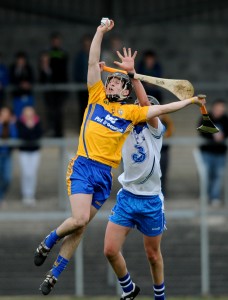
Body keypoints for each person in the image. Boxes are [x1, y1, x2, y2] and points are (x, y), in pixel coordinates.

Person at [33, 18, 205, 296]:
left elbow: (154, 108)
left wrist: (190, 101)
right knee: (82, 224)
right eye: (109, 80)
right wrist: (100, 33)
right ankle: (47, 244)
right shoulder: (97, 98)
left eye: (115, 82)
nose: (110, 83)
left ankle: (54, 274)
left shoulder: (131, 115)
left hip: (109, 178)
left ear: (126, 93)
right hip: (86, 168)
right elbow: (92, 67)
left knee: (88, 229)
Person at [104, 94, 167, 300]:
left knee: (153, 255)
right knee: (110, 250)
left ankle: (160, 297)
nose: (139, 108)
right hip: (127, 197)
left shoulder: (156, 130)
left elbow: (146, 105)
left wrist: (133, 76)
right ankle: (129, 288)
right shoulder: (125, 127)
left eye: (144, 107)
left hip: (150, 200)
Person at [198, 99, 228, 206]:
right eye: (218, 109)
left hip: (220, 153)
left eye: (221, 109)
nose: (219, 111)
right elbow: (201, 130)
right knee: (206, 175)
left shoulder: (225, 119)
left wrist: (222, 136)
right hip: (207, 152)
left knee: (218, 176)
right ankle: (205, 195)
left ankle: (215, 197)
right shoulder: (205, 117)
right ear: (214, 108)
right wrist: (213, 135)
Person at [17, 106, 42, 206]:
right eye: (27, 114)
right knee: (26, 173)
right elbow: (22, 135)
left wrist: (32, 128)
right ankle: (25, 194)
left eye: (30, 114)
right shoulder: (20, 122)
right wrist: (28, 128)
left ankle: (31, 194)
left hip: (35, 151)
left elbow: (38, 135)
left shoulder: (37, 122)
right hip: (23, 151)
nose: (29, 116)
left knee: (32, 173)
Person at [44, 32, 68, 137]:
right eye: (54, 41)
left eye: (57, 41)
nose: (56, 43)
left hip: (61, 87)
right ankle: (52, 130)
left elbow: (62, 68)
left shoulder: (63, 53)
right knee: (51, 111)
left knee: (59, 111)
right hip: (50, 87)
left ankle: (59, 132)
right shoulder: (48, 53)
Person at [73, 34, 92, 129]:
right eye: (85, 44)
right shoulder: (79, 56)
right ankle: (82, 128)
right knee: (83, 108)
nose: (87, 46)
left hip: (93, 87)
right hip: (82, 87)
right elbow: (76, 71)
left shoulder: (95, 55)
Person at [0, 107, 17, 205]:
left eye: (7, 114)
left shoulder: (11, 126)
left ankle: (2, 194)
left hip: (7, 155)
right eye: (3, 114)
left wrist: (11, 124)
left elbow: (14, 137)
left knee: (7, 178)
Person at [9, 51, 34, 118]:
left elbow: (32, 79)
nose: (21, 62)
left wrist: (28, 84)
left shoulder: (28, 68)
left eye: (22, 60)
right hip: (17, 95)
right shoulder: (13, 68)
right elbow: (11, 79)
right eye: (19, 60)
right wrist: (20, 84)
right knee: (18, 114)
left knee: (29, 113)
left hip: (28, 95)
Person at [159, 114, 175, 196]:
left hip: (163, 151)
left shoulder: (167, 122)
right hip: (153, 152)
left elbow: (170, 132)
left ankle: (163, 192)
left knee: (163, 173)